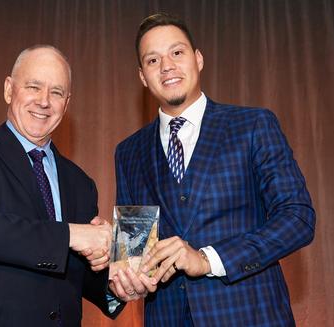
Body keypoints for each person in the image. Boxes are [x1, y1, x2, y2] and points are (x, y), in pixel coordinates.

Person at [111, 13, 316, 326]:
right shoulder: (128, 153)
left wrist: (207, 259)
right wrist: (122, 276)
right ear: (142, 76)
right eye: (153, 60)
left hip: (251, 317)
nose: (166, 66)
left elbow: (298, 218)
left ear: (198, 59)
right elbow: (135, 254)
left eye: (176, 53)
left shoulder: (253, 125)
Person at [0, 45, 123, 327]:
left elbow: (72, 271)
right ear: (9, 89)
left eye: (56, 92)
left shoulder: (81, 183)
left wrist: (115, 285)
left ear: (66, 104)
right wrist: (71, 234)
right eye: (33, 87)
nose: (44, 101)